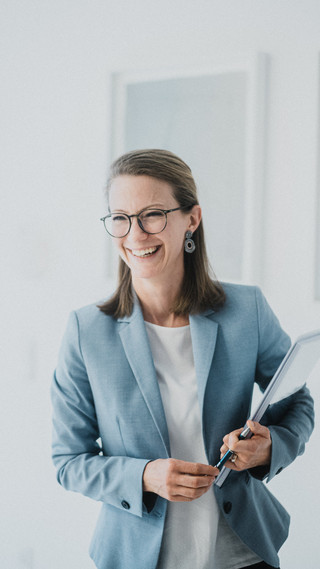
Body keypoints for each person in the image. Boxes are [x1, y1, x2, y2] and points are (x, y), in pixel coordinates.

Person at [51, 148, 314, 569]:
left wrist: (269, 449)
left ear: (191, 219)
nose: (135, 234)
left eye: (152, 214)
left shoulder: (247, 311)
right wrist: (143, 476)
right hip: (137, 555)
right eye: (121, 217)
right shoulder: (86, 332)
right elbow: (68, 461)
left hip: (243, 553)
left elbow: (298, 402)